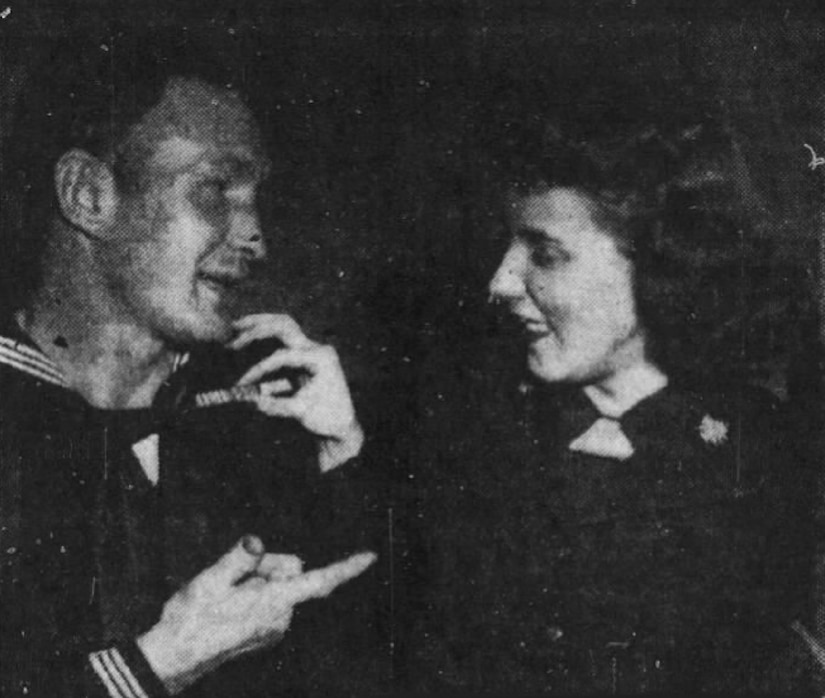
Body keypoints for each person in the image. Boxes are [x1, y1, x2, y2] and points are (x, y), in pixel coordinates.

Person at [0, 40, 378, 697]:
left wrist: (341, 453)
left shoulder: (262, 421)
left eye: (256, 199)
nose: (255, 236)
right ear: (88, 194)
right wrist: (148, 671)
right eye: (214, 189)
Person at [410, 108, 814, 693]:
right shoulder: (481, 434)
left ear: (660, 266)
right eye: (508, 249)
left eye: (545, 254)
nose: (499, 283)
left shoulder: (768, 459)